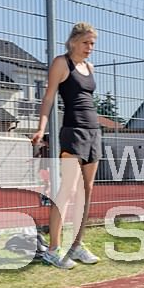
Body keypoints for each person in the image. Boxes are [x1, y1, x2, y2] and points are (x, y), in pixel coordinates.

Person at [31, 22, 101, 269]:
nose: (89, 47)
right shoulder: (62, 63)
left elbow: (87, 99)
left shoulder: (89, 67)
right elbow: (49, 97)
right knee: (68, 190)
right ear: (73, 42)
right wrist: (41, 128)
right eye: (85, 42)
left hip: (94, 132)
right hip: (73, 132)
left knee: (86, 190)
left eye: (92, 43)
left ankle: (77, 245)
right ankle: (53, 250)